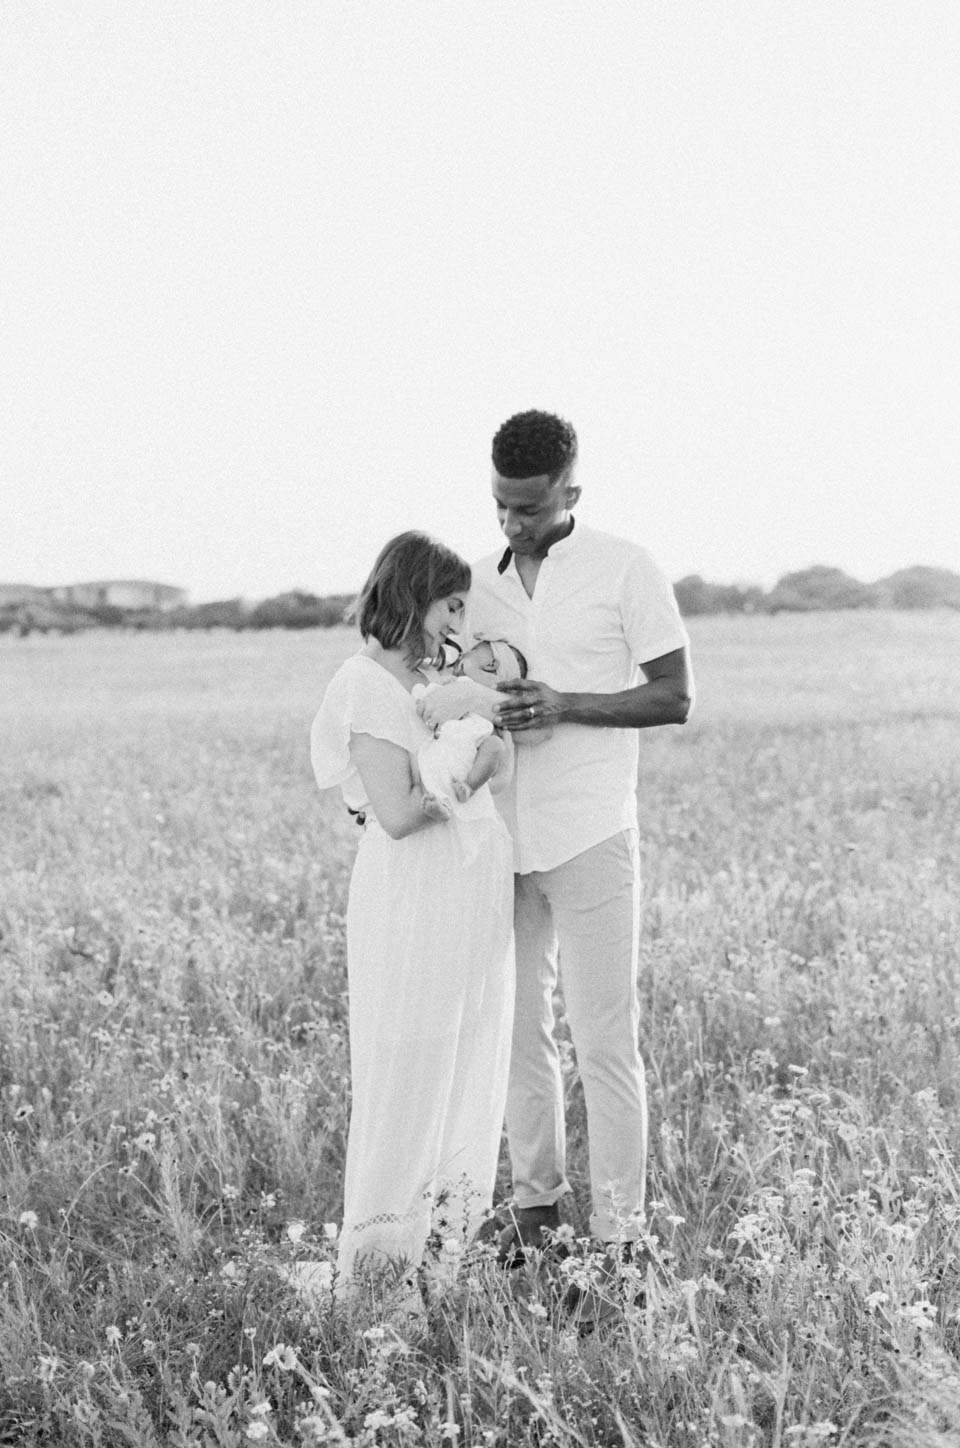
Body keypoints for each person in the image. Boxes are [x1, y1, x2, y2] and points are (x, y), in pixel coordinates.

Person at [422, 410, 693, 1275]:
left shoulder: (627, 567)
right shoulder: (478, 583)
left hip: (591, 832)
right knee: (518, 1031)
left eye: (529, 510)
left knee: (605, 1037)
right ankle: (536, 1208)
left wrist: (568, 704)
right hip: (501, 839)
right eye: (501, 507)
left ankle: (620, 1238)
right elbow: (437, 676)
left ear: (571, 492)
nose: (511, 525)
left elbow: (675, 696)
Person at [309, 531, 515, 1303]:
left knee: (463, 1057)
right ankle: (378, 1268)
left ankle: (442, 1253)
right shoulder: (364, 683)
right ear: (411, 596)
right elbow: (394, 813)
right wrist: (472, 778)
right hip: (408, 893)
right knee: (407, 1060)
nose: (458, 619)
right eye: (451, 603)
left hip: (464, 892)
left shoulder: (438, 677)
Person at [411, 637, 548, 810]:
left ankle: (468, 788)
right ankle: (440, 801)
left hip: (462, 771)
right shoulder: (451, 686)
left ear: (491, 665)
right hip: (436, 755)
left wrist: (488, 786)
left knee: (495, 745)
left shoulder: (492, 714)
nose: (456, 662)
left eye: (467, 654)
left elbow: (504, 769)